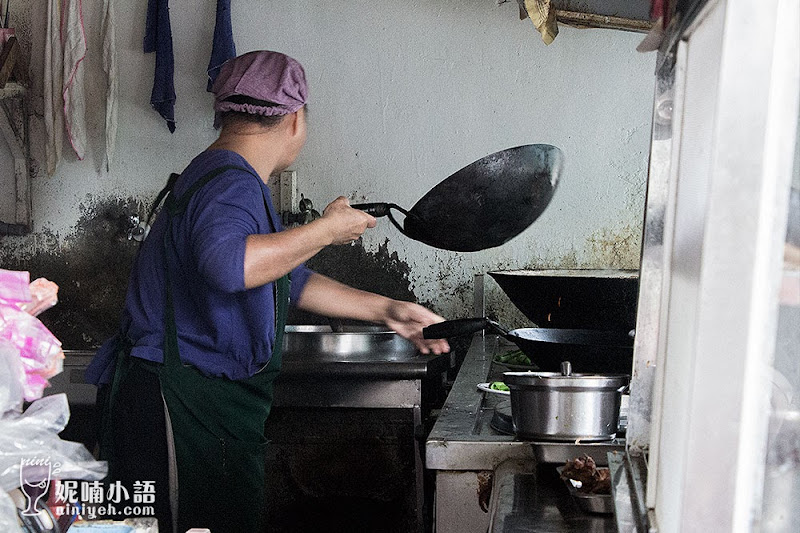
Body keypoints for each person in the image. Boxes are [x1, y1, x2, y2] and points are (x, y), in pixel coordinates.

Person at [86, 50, 449, 533]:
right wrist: (324, 231)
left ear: (225, 111)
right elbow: (230, 266)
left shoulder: (218, 173)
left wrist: (387, 310)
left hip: (188, 402)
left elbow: (281, 275)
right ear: (295, 120)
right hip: (181, 407)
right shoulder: (232, 184)